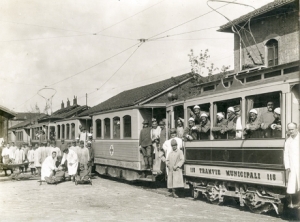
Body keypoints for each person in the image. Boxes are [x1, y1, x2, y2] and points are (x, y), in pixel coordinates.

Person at [284, 123, 299, 208]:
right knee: (294, 185)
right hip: (293, 165)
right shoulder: (288, 141)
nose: (291, 131)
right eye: (289, 129)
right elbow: (286, 154)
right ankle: (294, 203)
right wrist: (287, 166)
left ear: (296, 129)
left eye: (292, 129)